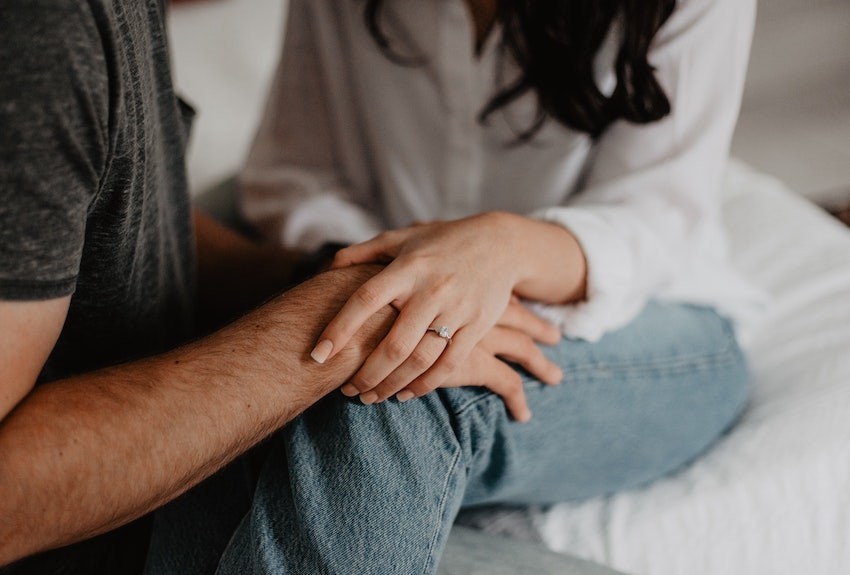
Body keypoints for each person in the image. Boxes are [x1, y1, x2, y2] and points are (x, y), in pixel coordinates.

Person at [0, 0, 558, 572]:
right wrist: (334, 324)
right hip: (100, 523)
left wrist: (324, 276)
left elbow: (117, 220)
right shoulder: (42, 32)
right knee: (401, 383)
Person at [233, 0, 763, 572]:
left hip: (648, 309)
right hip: (378, 260)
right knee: (351, 352)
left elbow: (659, 218)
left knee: (400, 379)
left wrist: (499, 250)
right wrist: (398, 282)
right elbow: (297, 174)